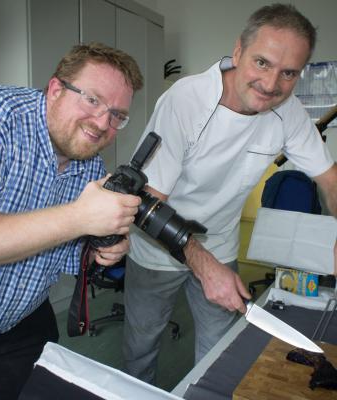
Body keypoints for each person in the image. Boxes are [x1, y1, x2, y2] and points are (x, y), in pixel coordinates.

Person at [123, 3, 337, 385]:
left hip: (219, 244)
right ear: (238, 51)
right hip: (157, 248)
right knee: (141, 349)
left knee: (219, 352)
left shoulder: (288, 112)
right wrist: (203, 266)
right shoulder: (184, 101)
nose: (272, 85)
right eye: (262, 63)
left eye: (288, 73)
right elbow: (147, 202)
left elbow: (331, 178)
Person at [0, 42, 143, 399]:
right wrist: (80, 217)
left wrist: (99, 247)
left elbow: (63, 242)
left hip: (18, 320)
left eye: (117, 115)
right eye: (92, 100)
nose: (102, 123)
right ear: (55, 89)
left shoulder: (89, 162)